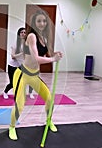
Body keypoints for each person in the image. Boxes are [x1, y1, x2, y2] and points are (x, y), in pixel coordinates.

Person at [8, 10, 63, 140]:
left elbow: (46, 53)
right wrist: (53, 60)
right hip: (23, 74)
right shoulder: (31, 36)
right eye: (39, 21)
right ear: (34, 22)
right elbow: (37, 58)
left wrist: (55, 53)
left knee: (49, 99)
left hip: (34, 75)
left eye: (44, 21)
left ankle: (49, 121)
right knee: (20, 105)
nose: (42, 23)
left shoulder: (43, 37)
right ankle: (11, 127)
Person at [3, 27, 34, 99]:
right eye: (21, 32)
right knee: (13, 83)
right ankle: (5, 92)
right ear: (19, 34)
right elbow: (13, 56)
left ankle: (30, 93)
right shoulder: (15, 44)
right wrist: (21, 53)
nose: (23, 34)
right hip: (12, 66)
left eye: (24, 32)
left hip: (23, 65)